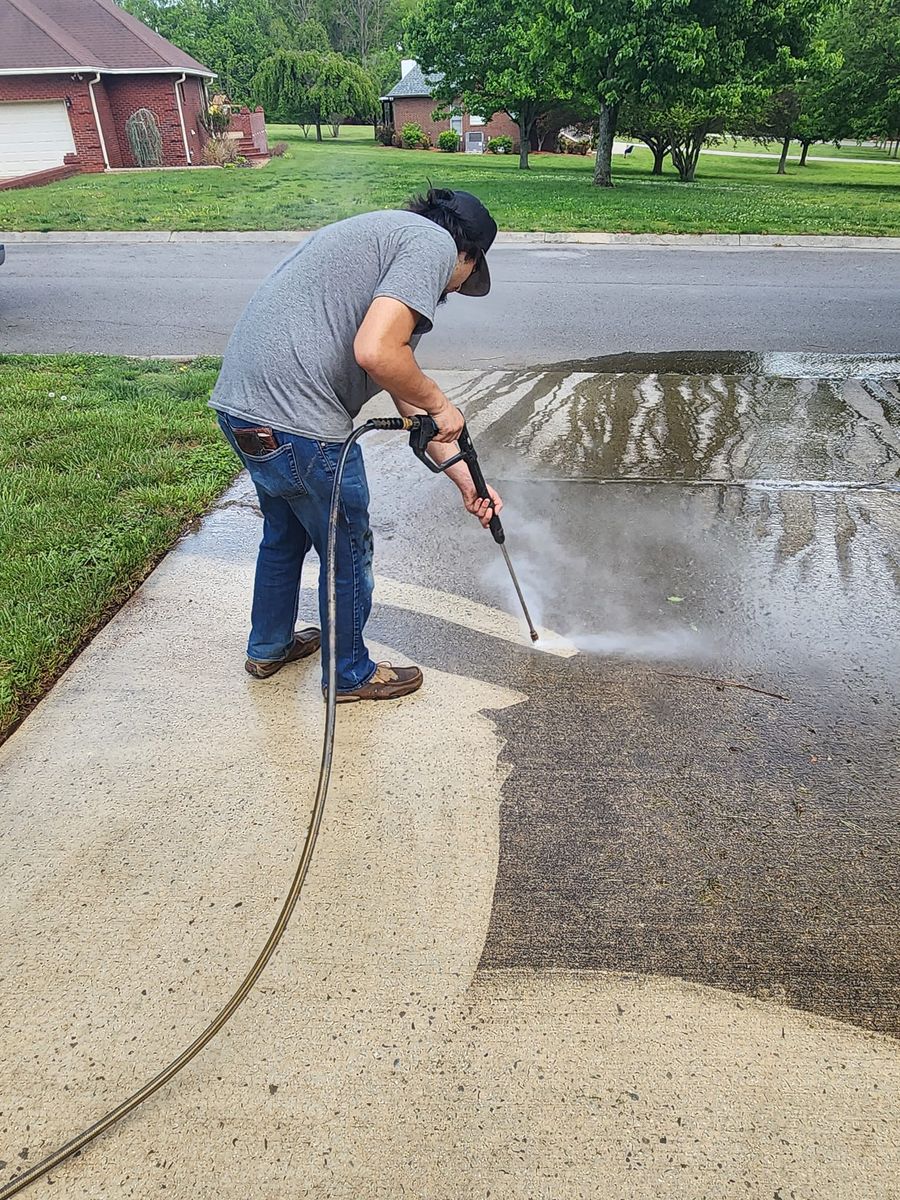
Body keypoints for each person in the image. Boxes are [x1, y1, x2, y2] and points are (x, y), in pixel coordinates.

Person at [210, 188, 502, 702]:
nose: (451, 292)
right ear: (467, 254)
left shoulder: (383, 239)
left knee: (284, 533)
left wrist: (466, 480)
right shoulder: (432, 246)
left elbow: (399, 384)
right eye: (462, 282)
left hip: (242, 411)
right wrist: (441, 401)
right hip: (302, 422)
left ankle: (269, 646)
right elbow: (376, 352)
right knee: (346, 547)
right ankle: (349, 674)